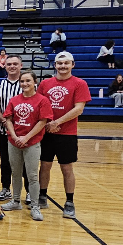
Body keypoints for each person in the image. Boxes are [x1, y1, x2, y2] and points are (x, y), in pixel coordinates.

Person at [38, 52, 91, 219]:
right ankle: (42, 196)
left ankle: (69, 202)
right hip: (46, 132)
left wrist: (56, 123)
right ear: (55, 65)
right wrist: (47, 124)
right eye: (59, 63)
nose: (62, 66)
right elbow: (39, 105)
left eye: (66, 63)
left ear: (72, 65)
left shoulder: (79, 83)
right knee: (44, 165)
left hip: (67, 134)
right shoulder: (45, 83)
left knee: (66, 168)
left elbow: (79, 109)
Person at [1, 71, 53, 221]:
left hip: (32, 142)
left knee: (32, 175)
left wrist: (27, 137)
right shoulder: (14, 100)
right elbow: (8, 119)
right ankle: (16, 201)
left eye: (28, 81)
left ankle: (35, 206)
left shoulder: (42, 100)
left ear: (35, 82)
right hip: (14, 142)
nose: (24, 84)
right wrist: (15, 136)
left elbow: (42, 122)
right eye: (22, 81)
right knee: (15, 173)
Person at [0, 54, 26, 203]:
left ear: (20, 66)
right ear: (5, 66)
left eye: (15, 64)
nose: (12, 66)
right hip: (2, 130)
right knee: (5, 161)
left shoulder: (27, 84)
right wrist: (4, 121)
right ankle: (6, 188)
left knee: (25, 162)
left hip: (25, 132)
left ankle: (29, 192)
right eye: (9, 64)